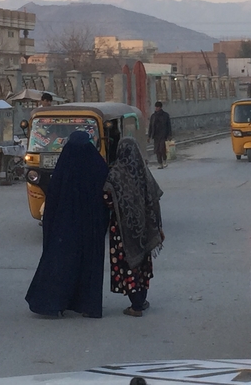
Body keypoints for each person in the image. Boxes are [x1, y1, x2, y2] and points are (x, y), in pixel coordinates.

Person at [26, 131, 110, 318]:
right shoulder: (98, 166)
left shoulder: (64, 167)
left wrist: (51, 227)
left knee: (61, 264)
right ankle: (88, 305)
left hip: (65, 228)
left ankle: (54, 304)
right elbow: (107, 199)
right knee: (89, 265)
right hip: (91, 227)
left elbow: (52, 202)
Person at [103, 138, 164, 317]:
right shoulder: (143, 172)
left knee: (128, 263)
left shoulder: (115, 174)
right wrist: (157, 226)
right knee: (142, 263)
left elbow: (107, 199)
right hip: (144, 227)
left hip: (122, 230)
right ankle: (141, 300)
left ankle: (135, 305)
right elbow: (154, 197)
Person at [148, 101, 172, 169]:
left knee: (162, 148)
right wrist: (149, 136)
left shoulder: (165, 115)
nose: (156, 108)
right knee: (157, 150)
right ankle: (160, 163)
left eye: (157, 107)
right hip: (156, 135)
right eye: (156, 107)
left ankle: (164, 160)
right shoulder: (153, 116)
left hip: (163, 135)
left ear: (160, 107)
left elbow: (168, 125)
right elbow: (150, 126)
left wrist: (169, 135)